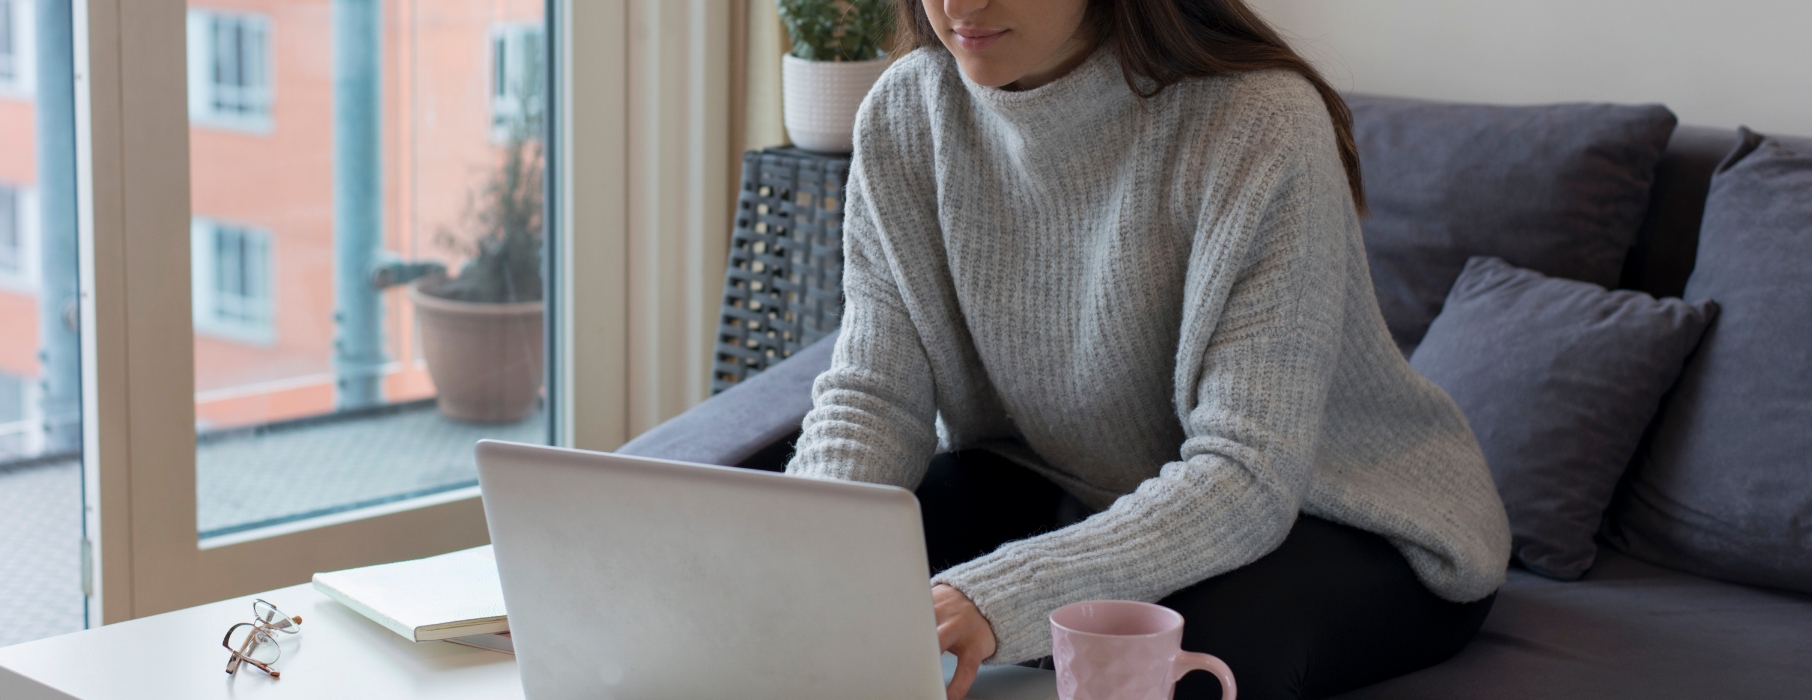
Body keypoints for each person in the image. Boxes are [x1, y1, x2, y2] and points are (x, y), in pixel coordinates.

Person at [782, 1, 1513, 698]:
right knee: (838, 583)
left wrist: (1001, 594)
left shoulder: (1261, 122)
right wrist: (801, 545)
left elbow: (1246, 474)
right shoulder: (905, 110)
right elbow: (876, 395)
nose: (959, 6)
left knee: (1185, 658)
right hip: (1077, 481)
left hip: (1341, 511)